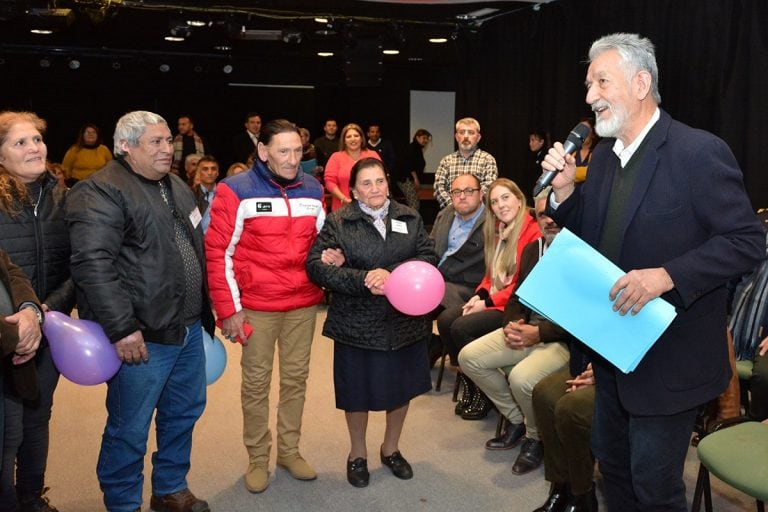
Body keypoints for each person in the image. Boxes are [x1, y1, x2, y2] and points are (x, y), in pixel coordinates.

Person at [542, 33, 765, 512]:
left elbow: (748, 241)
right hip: (613, 351)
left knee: (655, 486)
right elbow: (601, 240)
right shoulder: (601, 159)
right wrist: (564, 196)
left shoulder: (697, 152)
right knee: (614, 468)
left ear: (641, 83)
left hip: (671, 360)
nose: (589, 96)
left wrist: (667, 275)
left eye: (601, 81)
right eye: (588, 84)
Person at [66, 110, 214, 512]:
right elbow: (92, 265)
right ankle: (123, 504)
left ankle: (170, 488)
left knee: (183, 413)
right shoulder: (100, 190)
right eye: (156, 142)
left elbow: (196, 248)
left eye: (168, 140)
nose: (168, 149)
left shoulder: (178, 186)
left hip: (185, 329)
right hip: (141, 335)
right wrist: (121, 328)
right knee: (128, 428)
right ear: (126, 146)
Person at [206, 119, 325, 494]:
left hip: (302, 305)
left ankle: (289, 451)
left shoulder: (314, 189)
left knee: (296, 381)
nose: (292, 160)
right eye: (283, 151)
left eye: (297, 151)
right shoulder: (234, 190)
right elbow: (217, 252)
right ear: (263, 152)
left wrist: (332, 258)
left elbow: (322, 244)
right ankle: (258, 458)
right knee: (256, 385)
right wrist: (228, 309)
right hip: (255, 306)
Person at [305, 157, 437, 488]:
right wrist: (364, 279)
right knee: (356, 393)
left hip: (403, 322)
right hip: (356, 324)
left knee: (401, 389)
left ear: (388, 182)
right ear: (353, 190)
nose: (374, 189)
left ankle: (391, 449)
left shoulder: (409, 216)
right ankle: (358, 454)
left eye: (379, 181)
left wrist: (394, 276)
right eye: (366, 183)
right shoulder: (339, 221)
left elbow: (429, 258)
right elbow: (316, 267)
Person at [458, 193, 568, 476]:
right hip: (527, 329)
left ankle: (535, 437)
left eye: (556, 212)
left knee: (521, 378)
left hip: (561, 339)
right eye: (543, 214)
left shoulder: (581, 254)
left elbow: (584, 320)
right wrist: (513, 323)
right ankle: (517, 419)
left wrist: (538, 333)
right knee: (469, 357)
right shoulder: (534, 250)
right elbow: (518, 296)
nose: (550, 219)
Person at [0, 110, 74, 512]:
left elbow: (78, 265)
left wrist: (49, 308)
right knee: (4, 430)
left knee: (36, 416)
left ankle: (32, 497)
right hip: (5, 331)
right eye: (20, 142)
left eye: (37, 140)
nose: (34, 148)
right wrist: (18, 320)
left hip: (49, 327)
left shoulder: (63, 197)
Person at [436, 178, 541, 420]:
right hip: (494, 298)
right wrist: (478, 296)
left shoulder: (532, 231)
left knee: (461, 327)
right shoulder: (498, 230)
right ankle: (470, 382)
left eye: (505, 197)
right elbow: (489, 275)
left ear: (518, 198)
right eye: (494, 202)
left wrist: (487, 303)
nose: (501, 205)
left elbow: (519, 286)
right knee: (445, 320)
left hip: (513, 307)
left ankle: (482, 391)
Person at [430, 173, 486, 310]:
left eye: (469, 191)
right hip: (435, 277)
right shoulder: (445, 214)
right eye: (456, 192)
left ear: (481, 194)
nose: (462, 196)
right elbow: (429, 246)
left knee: (428, 296)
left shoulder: (493, 221)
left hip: (467, 285)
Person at [433, 117, 497, 209]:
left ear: (478, 138)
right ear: (456, 137)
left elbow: (489, 186)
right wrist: (454, 207)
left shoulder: (488, 160)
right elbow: (439, 188)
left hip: (480, 216)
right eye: (462, 132)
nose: (466, 136)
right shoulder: (446, 161)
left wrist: (470, 207)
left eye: (471, 133)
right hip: (451, 214)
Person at [324, 123, 380, 211]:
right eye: (348, 136)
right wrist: (344, 199)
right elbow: (329, 182)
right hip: (342, 208)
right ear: (344, 140)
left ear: (362, 139)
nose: (353, 139)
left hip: (370, 207)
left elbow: (382, 179)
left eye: (356, 135)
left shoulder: (372, 155)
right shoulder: (336, 157)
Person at [394, 129, 431, 211]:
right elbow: (409, 165)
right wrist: (415, 179)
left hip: (408, 179)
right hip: (405, 179)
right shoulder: (412, 148)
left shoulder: (417, 149)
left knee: (414, 201)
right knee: (414, 203)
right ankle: (412, 221)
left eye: (427, 139)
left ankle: (413, 221)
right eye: (424, 138)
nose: (426, 140)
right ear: (417, 137)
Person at [171, 115, 208, 182]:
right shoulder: (174, 140)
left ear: (191, 126)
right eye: (179, 124)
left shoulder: (201, 140)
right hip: (178, 176)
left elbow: (207, 157)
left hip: (197, 175)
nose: (180, 127)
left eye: (184, 124)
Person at [191, 155, 219, 234]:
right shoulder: (191, 194)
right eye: (205, 169)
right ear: (198, 172)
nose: (210, 172)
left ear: (217, 173)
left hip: (221, 241)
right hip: (199, 242)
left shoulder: (225, 194)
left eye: (213, 169)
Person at [574, 118, 598, 184]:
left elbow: (591, 172)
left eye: (585, 130)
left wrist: (569, 174)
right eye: (579, 129)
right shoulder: (572, 152)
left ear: (593, 134)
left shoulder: (597, 153)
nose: (581, 133)